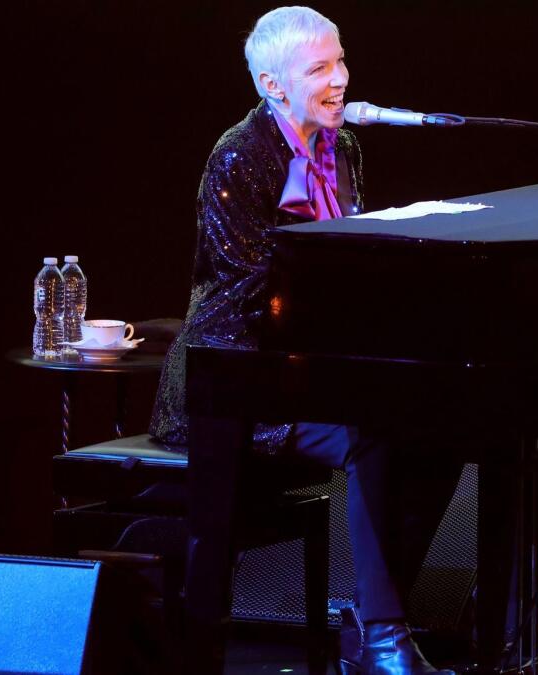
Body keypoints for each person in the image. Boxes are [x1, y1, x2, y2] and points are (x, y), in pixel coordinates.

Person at [149, 7, 461, 674]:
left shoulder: (344, 145)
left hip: (316, 369)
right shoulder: (238, 156)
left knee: (444, 428)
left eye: (341, 60)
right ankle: (382, 636)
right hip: (235, 387)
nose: (341, 78)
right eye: (319, 68)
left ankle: (372, 616)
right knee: (374, 429)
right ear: (273, 84)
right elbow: (248, 293)